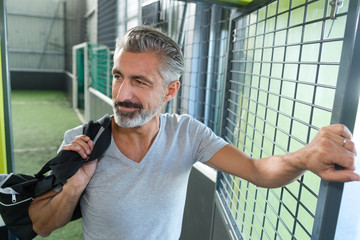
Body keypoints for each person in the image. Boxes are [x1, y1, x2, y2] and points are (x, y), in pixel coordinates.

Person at [29, 25, 359, 240]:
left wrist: (304, 157)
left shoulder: (188, 134)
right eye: (118, 76)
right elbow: (42, 225)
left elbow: (259, 171)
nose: (122, 94)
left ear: (170, 91)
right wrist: (73, 188)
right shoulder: (82, 142)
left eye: (140, 82)